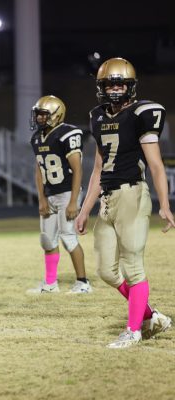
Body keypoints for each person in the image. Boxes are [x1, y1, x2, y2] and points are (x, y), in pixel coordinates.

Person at [75, 57, 174, 349]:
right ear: (101, 87)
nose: (115, 89)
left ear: (131, 86)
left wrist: (165, 205)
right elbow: (97, 169)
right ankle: (152, 316)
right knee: (106, 270)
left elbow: (156, 165)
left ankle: (133, 330)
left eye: (121, 84)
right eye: (110, 84)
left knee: (133, 266)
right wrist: (84, 210)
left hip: (132, 194)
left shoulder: (141, 114)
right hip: (107, 197)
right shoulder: (98, 117)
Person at [27, 95, 91, 294]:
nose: (39, 118)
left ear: (56, 115)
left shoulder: (67, 134)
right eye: (37, 114)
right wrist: (41, 198)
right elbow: (39, 170)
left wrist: (73, 201)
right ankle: (50, 283)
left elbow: (78, 169)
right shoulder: (37, 138)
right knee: (47, 239)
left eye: (43, 115)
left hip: (66, 193)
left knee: (69, 238)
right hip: (50, 193)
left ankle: (83, 282)